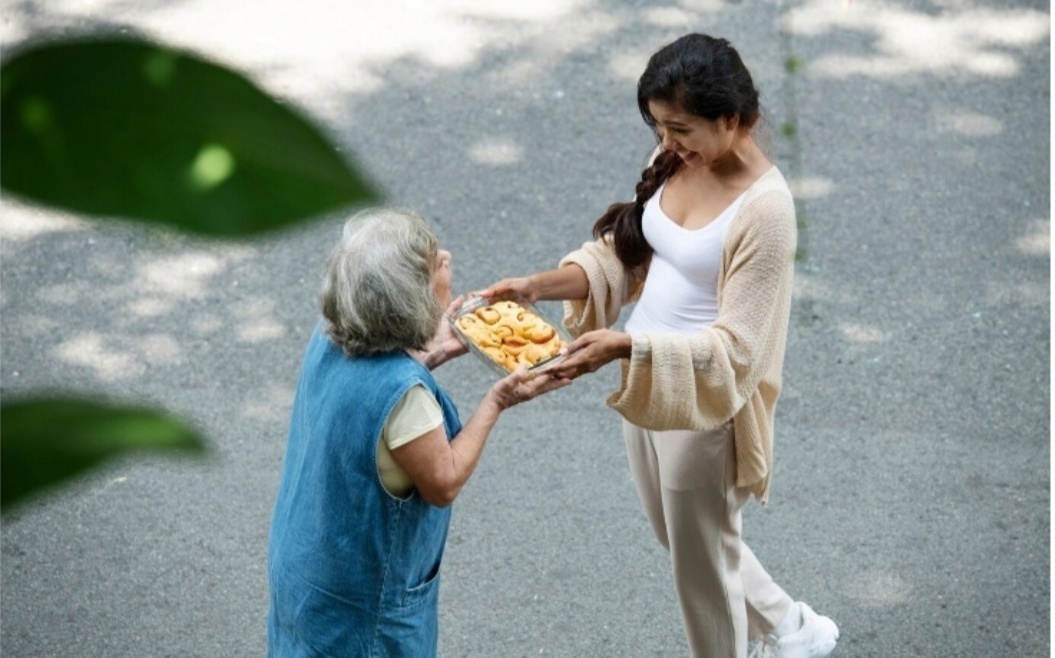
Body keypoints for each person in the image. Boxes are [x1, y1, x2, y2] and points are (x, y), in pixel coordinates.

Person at [481, 34, 838, 658]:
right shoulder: (679, 158)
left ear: (736, 120)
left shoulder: (766, 210)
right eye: (658, 126)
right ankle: (791, 629)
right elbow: (626, 254)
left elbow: (738, 350)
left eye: (680, 128)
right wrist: (536, 285)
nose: (667, 142)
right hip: (649, 381)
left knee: (702, 571)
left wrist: (625, 348)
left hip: (704, 406)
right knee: (687, 540)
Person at [267, 208, 570, 657]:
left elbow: (366, 400)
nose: (445, 257)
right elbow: (442, 481)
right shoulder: (405, 398)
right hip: (362, 611)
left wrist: (425, 357)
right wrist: (497, 401)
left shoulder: (328, 336)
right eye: (434, 264)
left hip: (305, 573)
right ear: (409, 295)